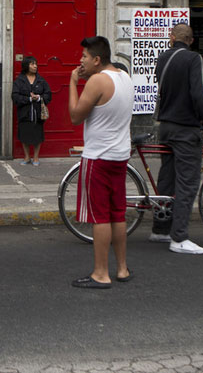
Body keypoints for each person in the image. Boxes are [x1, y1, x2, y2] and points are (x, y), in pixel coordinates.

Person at [150, 23, 203, 255]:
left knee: (167, 180)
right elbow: (199, 94)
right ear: (191, 40)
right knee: (187, 183)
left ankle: (160, 229)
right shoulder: (194, 59)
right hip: (185, 130)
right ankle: (179, 238)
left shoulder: (163, 58)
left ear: (171, 38)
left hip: (166, 127)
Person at [68, 35, 134, 289]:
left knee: (100, 216)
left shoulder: (96, 81)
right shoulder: (124, 77)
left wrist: (74, 83)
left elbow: (75, 116)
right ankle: (122, 268)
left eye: (85, 56)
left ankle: (100, 273)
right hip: (120, 155)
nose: (81, 60)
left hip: (98, 157)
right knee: (118, 213)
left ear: (96, 59)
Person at [12, 56, 52, 165]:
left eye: (36, 64)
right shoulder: (19, 81)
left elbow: (48, 95)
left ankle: (36, 158)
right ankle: (26, 157)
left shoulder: (41, 80)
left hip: (38, 112)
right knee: (24, 135)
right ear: (26, 66)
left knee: (37, 135)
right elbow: (15, 96)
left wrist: (38, 98)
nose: (35, 66)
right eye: (32, 64)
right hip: (24, 113)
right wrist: (28, 99)